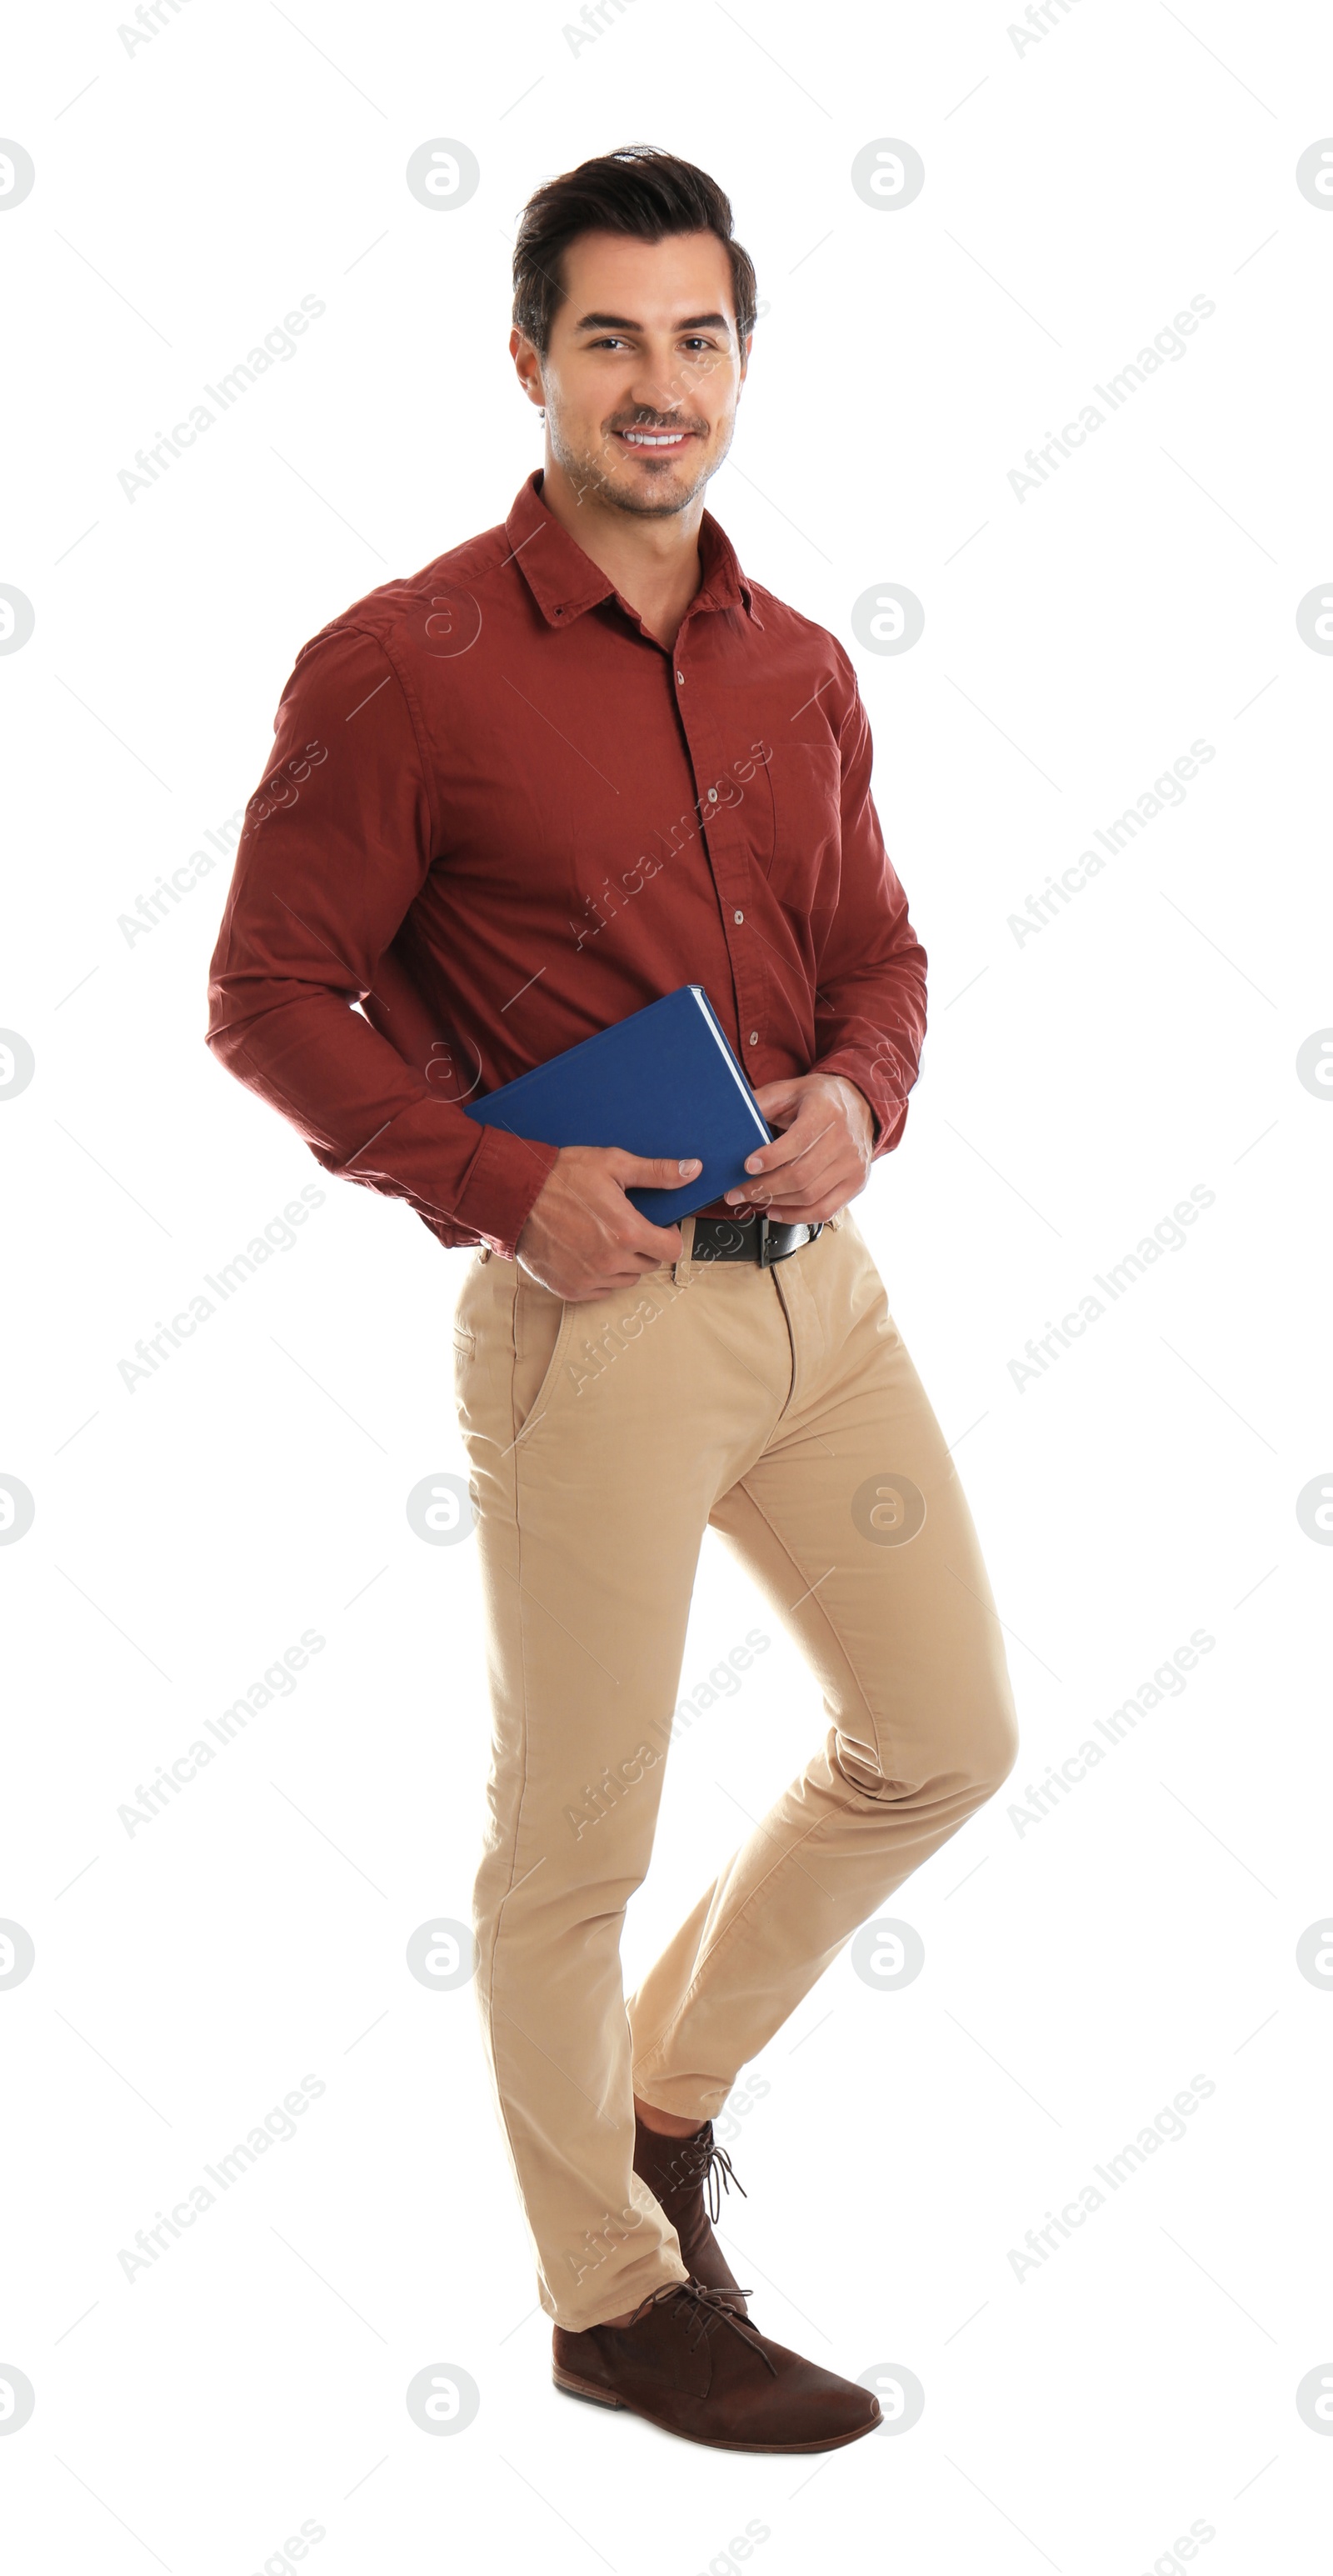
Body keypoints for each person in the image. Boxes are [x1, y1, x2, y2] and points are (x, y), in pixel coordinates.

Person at [206, 144, 1019, 2455]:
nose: (659, 388)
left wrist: (866, 1090)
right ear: (530, 359)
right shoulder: (405, 665)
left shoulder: (800, 661)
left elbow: (885, 954)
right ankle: (606, 2296)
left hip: (818, 1295)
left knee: (946, 1731)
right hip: (604, 1321)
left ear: (743, 359)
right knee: (571, 1839)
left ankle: (661, 2102)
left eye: (699, 339)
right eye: (611, 339)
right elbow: (268, 989)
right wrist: (495, 1183)